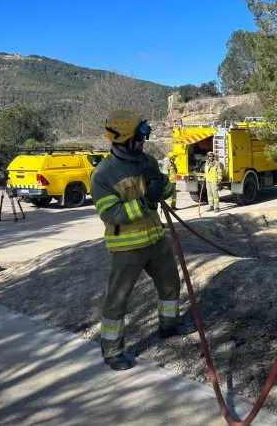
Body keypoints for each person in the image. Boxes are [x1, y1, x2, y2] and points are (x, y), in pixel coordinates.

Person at [91, 110, 194, 371]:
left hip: (155, 239)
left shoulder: (146, 161)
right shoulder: (103, 174)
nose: (144, 141)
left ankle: (169, 327)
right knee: (118, 298)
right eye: (140, 136)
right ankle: (113, 351)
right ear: (125, 139)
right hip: (127, 247)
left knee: (170, 285)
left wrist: (161, 184)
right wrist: (146, 200)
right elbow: (111, 213)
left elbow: (166, 189)